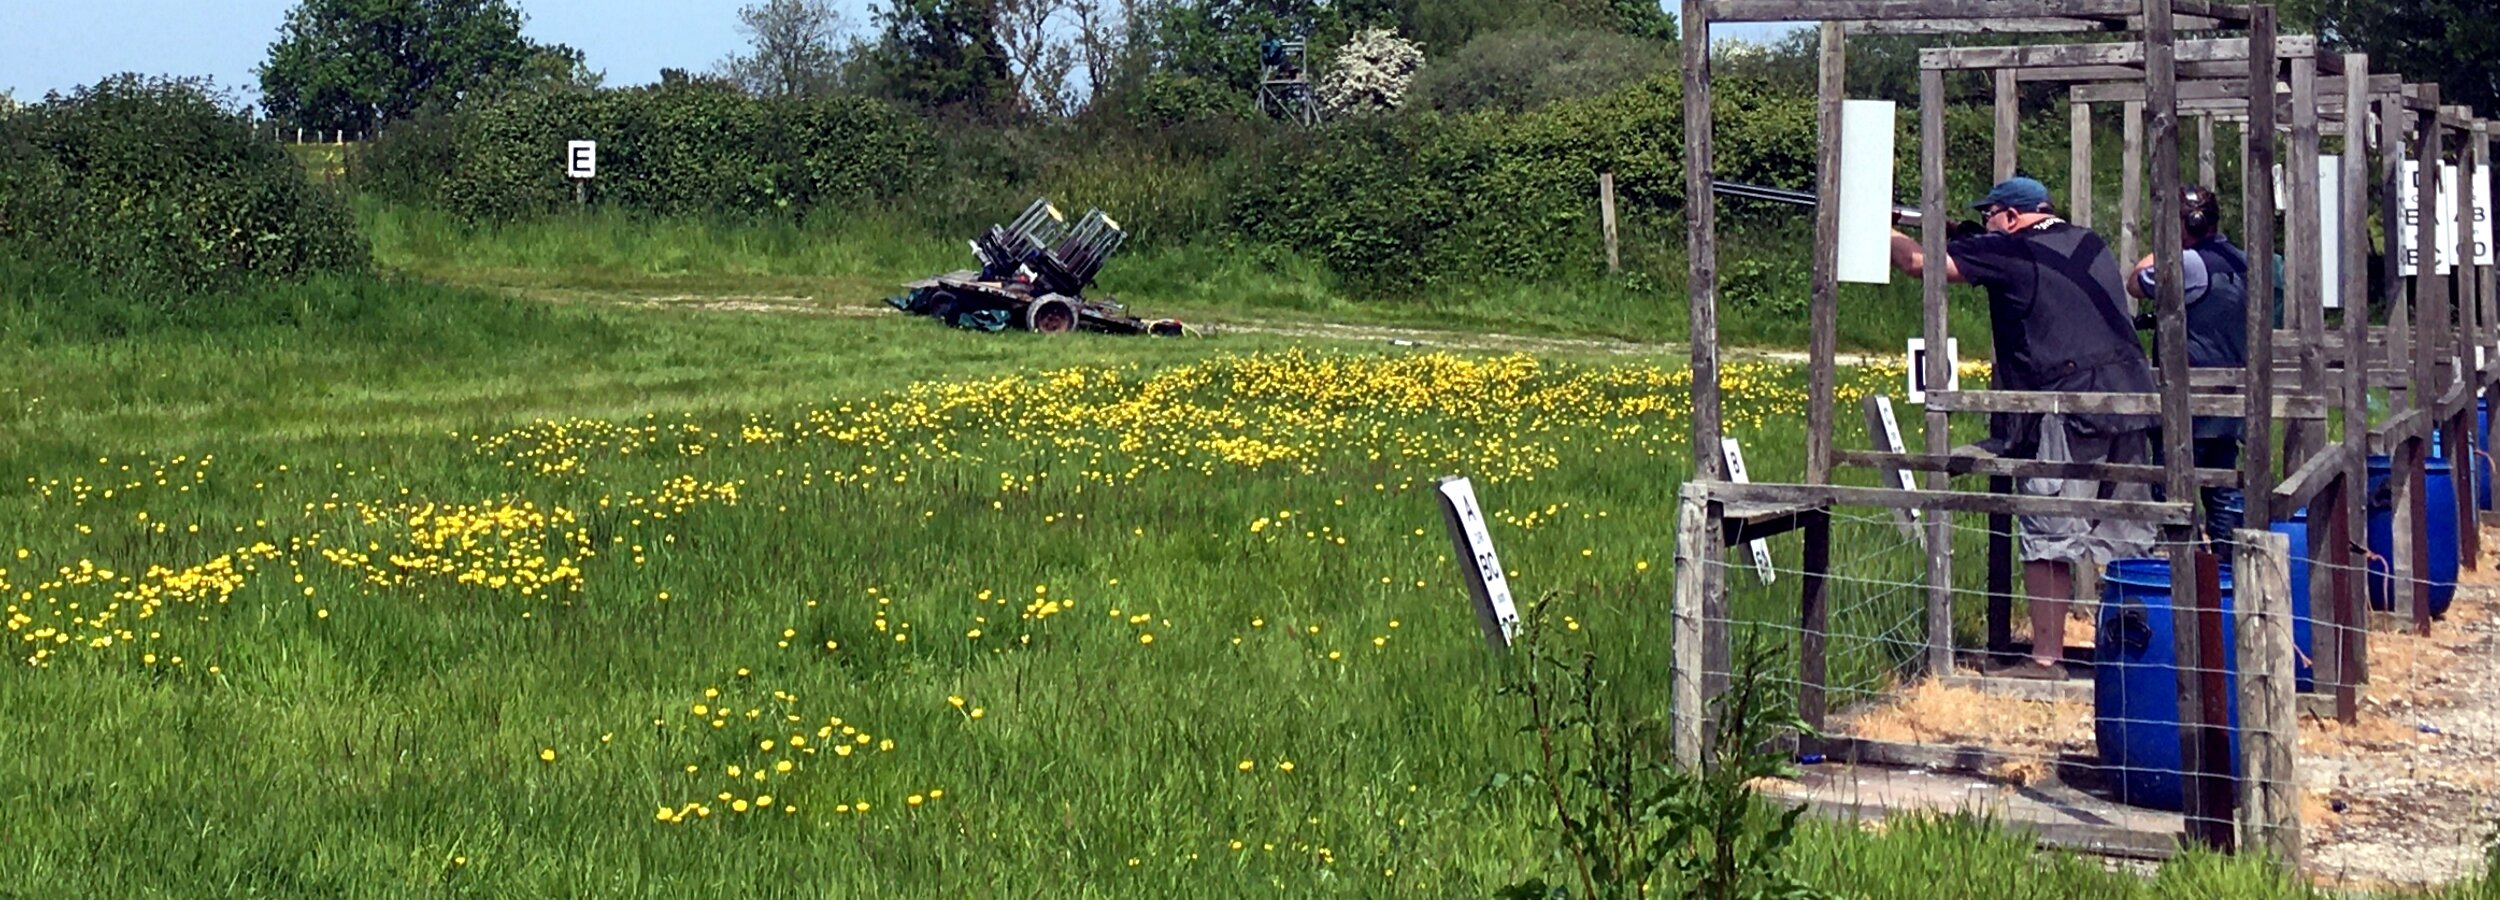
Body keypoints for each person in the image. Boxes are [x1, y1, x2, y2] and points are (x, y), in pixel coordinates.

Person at [1889, 176, 2161, 680]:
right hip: (2128, 397)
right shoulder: (2087, 241)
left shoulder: (2012, 250)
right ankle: (2134, 663)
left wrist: (1882, 229)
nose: (1988, 223)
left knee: (2048, 533)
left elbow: (1918, 264)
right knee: (2127, 538)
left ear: (2011, 217)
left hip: (2067, 406)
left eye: (1990, 215)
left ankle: (2046, 660)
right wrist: (1965, 235)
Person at [2128, 184, 2250, 550]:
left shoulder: (2190, 264)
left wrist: (2164, 248)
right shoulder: (2241, 261)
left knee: (2173, 492)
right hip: (2229, 396)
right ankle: (2226, 569)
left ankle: (2185, 567)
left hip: (2188, 400)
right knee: (2222, 492)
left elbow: (2136, 283)